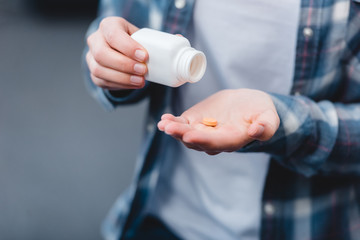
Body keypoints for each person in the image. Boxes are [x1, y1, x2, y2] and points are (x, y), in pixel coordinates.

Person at [83, 0, 360, 239]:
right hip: (163, 216)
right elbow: (111, 33)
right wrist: (112, 65)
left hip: (307, 226)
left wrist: (288, 121)